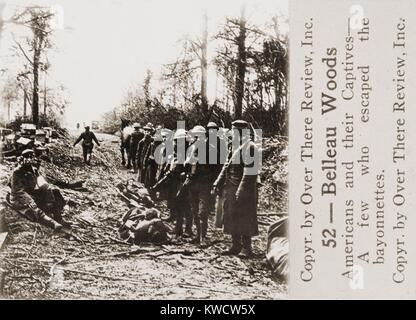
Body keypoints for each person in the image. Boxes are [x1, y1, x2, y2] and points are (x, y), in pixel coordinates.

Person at [212, 120, 260, 258]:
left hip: (245, 189)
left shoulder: (250, 147)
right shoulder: (233, 146)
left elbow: (249, 172)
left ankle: (247, 248)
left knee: (245, 217)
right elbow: (226, 166)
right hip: (231, 187)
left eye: (233, 131)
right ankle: (235, 245)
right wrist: (217, 182)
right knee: (232, 216)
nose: (231, 133)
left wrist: (241, 191)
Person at [8, 149, 70, 230]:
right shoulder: (17, 172)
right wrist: (30, 200)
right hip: (20, 197)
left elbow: (42, 183)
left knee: (54, 192)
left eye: (32, 157)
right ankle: (52, 223)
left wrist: (49, 197)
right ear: (22, 159)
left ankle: (59, 218)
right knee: (33, 208)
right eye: (27, 158)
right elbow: (18, 191)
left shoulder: (34, 170)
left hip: (32, 193)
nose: (30, 160)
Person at [186, 125, 222, 246]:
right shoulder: (191, 148)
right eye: (195, 136)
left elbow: (217, 168)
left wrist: (213, 183)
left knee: (202, 212)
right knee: (194, 210)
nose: (197, 138)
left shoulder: (211, 149)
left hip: (205, 184)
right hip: (193, 183)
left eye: (199, 136)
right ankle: (197, 235)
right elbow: (187, 165)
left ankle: (203, 237)